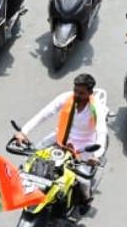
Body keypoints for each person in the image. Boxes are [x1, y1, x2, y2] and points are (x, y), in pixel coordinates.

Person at [15, 73, 109, 209]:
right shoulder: (66, 98)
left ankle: (85, 201)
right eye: (75, 91)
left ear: (90, 93)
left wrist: (96, 156)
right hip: (60, 137)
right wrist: (23, 132)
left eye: (81, 93)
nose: (77, 95)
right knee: (32, 157)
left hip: (83, 147)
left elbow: (101, 132)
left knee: (83, 180)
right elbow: (44, 114)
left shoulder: (96, 108)